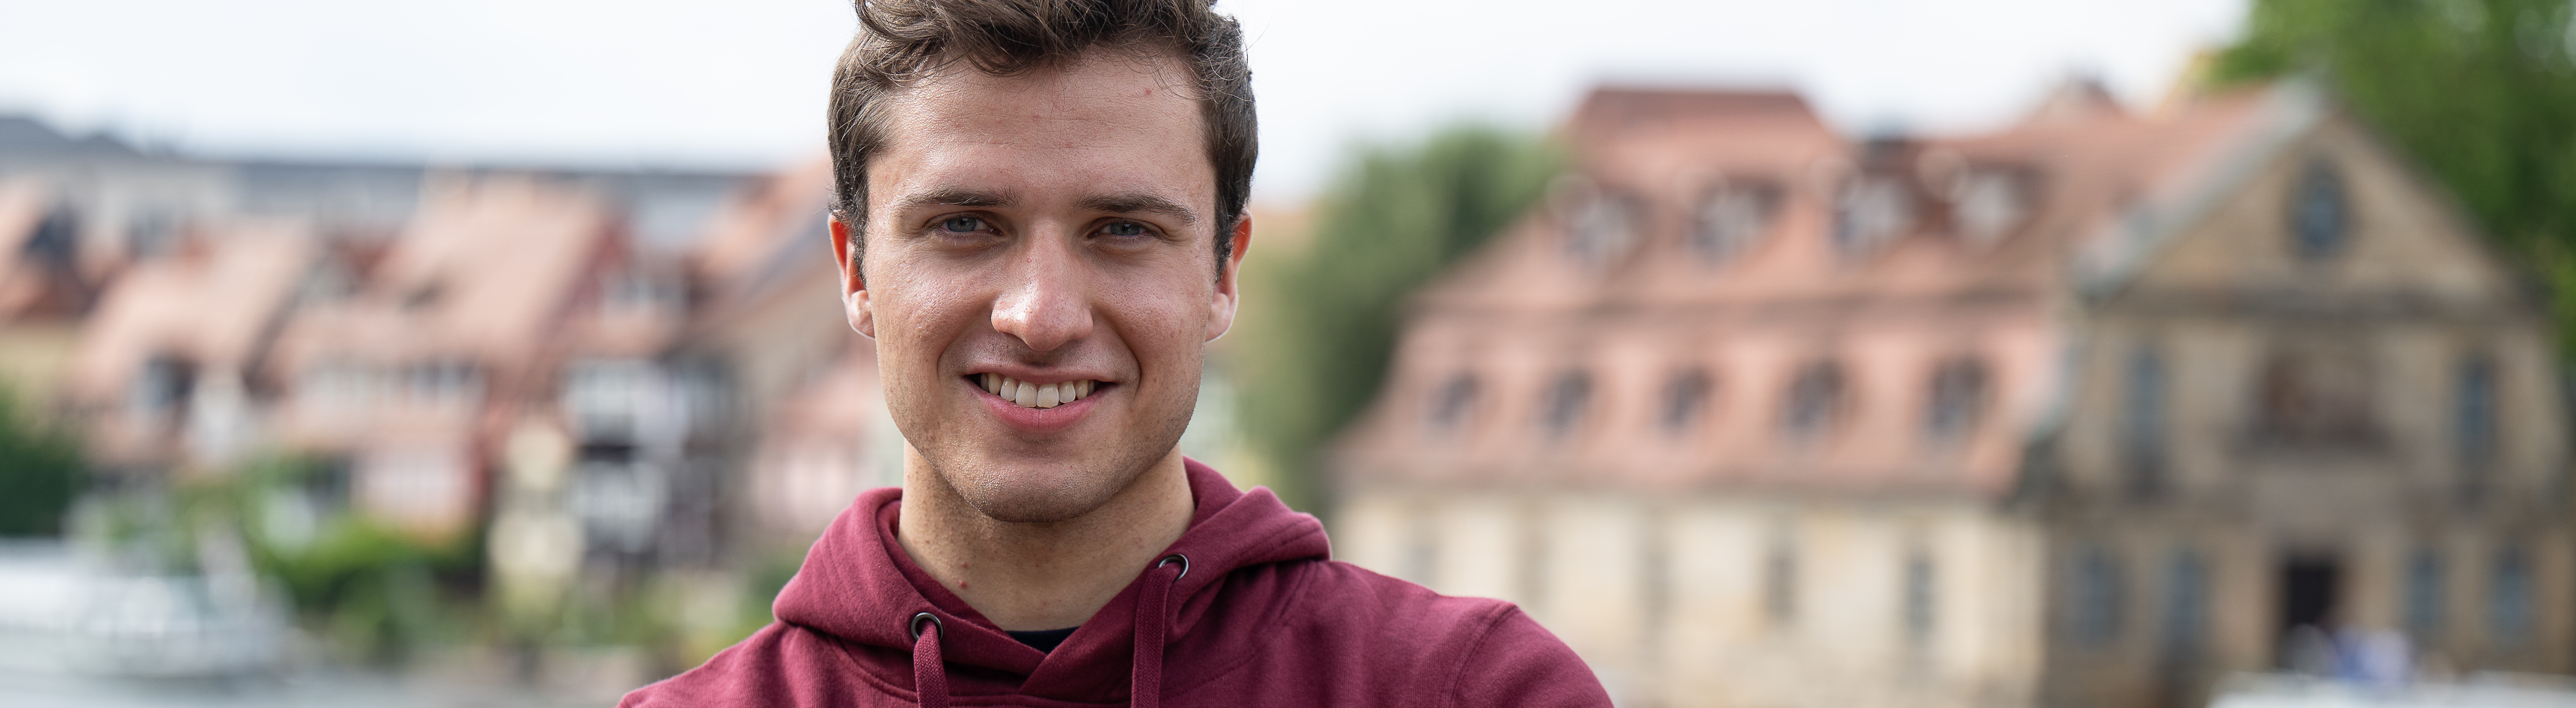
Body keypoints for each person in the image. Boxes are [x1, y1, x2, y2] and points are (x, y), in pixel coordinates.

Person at [619, 0, 1610, 705]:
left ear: (1224, 270)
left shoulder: (1475, 691)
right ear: (856, 270)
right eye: (965, 224)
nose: (1041, 316)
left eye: (1123, 231)